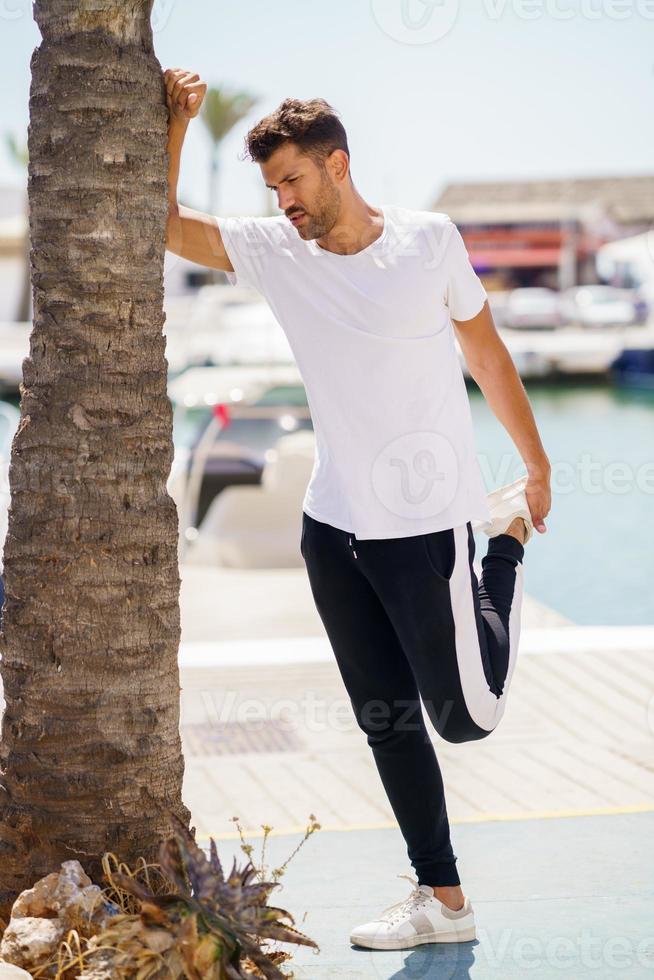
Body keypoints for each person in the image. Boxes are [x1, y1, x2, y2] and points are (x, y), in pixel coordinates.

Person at [164, 69, 552, 951]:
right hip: (333, 529)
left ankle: (507, 552)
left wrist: (533, 468)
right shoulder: (276, 249)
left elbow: (487, 357)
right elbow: (168, 226)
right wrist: (180, 126)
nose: (283, 200)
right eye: (273, 188)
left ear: (338, 164)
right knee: (388, 720)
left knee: (467, 718)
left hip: (430, 525)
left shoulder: (429, 242)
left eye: (293, 180)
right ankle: (444, 902)